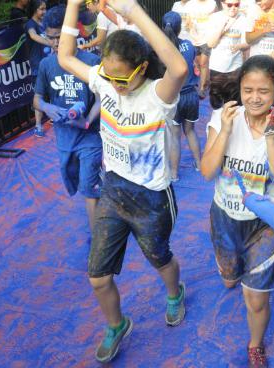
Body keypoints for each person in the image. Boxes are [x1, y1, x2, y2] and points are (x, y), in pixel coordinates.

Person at [58, 0, 188, 363]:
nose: (114, 86)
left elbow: (178, 66)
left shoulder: (157, 96)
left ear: (143, 69)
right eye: (108, 77)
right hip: (114, 191)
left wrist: (133, 12)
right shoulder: (105, 80)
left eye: (123, 79)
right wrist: (72, 4)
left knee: (160, 259)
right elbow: (66, 56)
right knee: (97, 276)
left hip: (152, 199)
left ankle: (174, 293)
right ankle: (117, 324)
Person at [201, 55, 274, 368]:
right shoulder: (221, 119)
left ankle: (255, 345)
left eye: (263, 91)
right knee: (231, 280)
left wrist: (271, 137)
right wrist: (227, 131)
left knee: (255, 298)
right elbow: (206, 171)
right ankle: (234, 271)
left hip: (266, 224)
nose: (255, 98)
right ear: (240, 90)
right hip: (225, 218)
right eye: (248, 90)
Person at [33, 5, 102, 234]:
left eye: (59, 37)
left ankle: (97, 245)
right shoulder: (46, 65)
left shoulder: (91, 61)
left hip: (90, 137)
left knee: (88, 188)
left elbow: (103, 100)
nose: (55, 44)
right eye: (50, 38)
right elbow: (37, 99)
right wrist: (47, 107)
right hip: (64, 139)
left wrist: (87, 120)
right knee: (74, 179)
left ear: (73, 31)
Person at [162, 11, 202, 180]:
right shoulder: (189, 45)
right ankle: (200, 165)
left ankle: (174, 173)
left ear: (163, 27)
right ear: (179, 29)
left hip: (175, 97)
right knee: (190, 131)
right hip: (191, 95)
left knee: (174, 135)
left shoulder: (163, 50)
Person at [207, 0, 249, 110]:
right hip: (217, 68)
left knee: (234, 105)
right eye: (230, 5)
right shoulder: (214, 18)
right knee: (216, 105)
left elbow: (247, 44)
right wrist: (222, 28)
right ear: (222, 3)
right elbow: (211, 43)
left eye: (237, 4)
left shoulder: (243, 19)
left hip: (235, 69)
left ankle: (233, 126)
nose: (233, 8)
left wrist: (238, 47)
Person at [26, 0, 52, 137]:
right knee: (39, 94)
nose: (44, 11)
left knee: (54, 89)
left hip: (49, 62)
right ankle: (38, 125)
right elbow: (33, 36)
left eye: (45, 8)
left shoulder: (45, 23)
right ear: (35, 9)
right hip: (37, 65)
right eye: (41, 9)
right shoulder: (30, 24)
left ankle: (54, 116)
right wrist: (51, 42)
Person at [185, 0, 219, 98]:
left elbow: (218, 18)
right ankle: (206, 80)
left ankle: (202, 88)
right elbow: (188, 23)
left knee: (203, 63)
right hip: (194, 38)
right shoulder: (190, 4)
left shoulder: (212, 3)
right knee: (197, 63)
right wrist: (189, 25)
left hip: (207, 39)